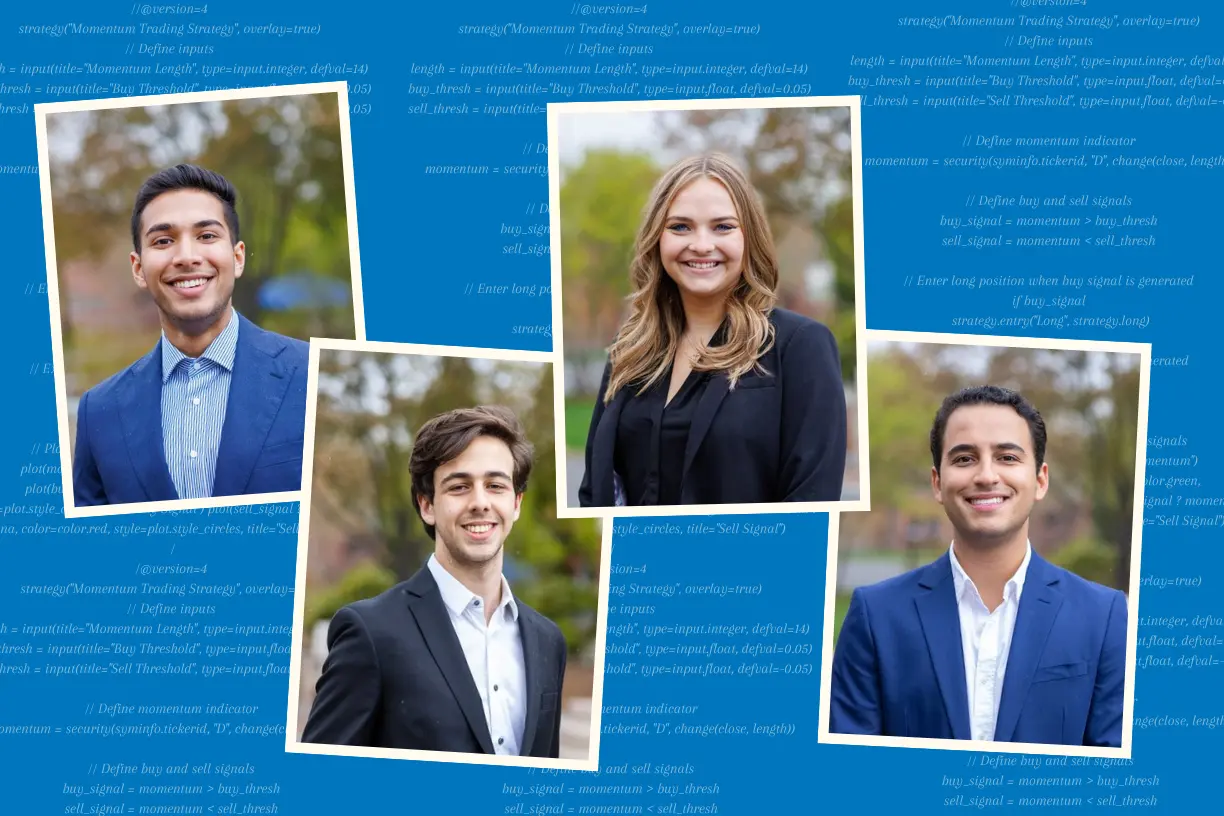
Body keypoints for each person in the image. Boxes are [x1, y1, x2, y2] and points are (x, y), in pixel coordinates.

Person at [829, 386, 1127, 747]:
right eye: (965, 459)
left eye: (1007, 457)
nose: (986, 475)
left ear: (1040, 480)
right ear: (938, 483)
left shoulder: (1104, 616)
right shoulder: (876, 617)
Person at [578, 153, 846, 507]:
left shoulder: (799, 347)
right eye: (680, 227)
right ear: (656, 239)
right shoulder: (628, 351)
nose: (702, 245)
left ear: (750, 238)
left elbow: (812, 502)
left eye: (723, 227)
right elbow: (597, 489)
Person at [301, 406, 568, 757]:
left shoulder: (548, 641)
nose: (480, 502)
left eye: (495, 485)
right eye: (459, 487)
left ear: (516, 502)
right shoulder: (371, 633)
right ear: (427, 505)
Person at [71, 164, 309, 506]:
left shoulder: (308, 373)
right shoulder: (99, 410)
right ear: (138, 268)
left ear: (237, 257)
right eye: (163, 241)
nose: (186, 257)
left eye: (207, 236)